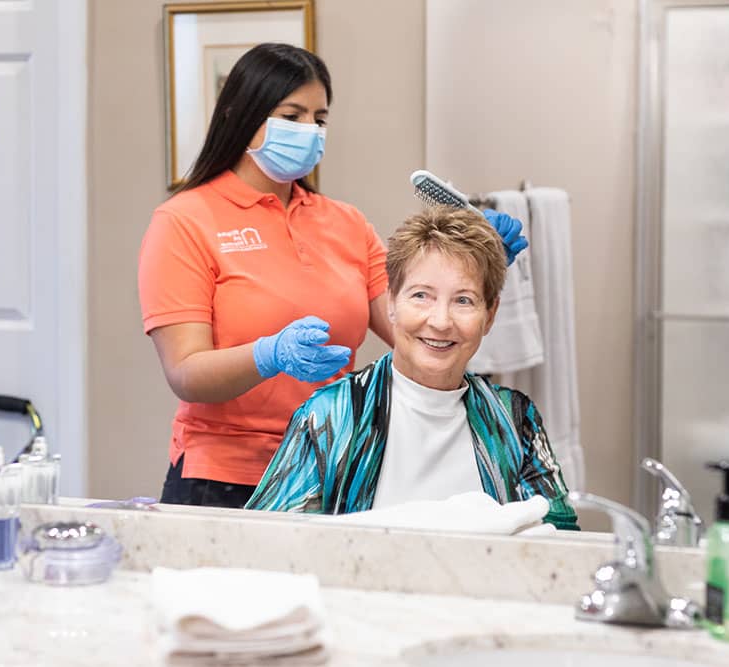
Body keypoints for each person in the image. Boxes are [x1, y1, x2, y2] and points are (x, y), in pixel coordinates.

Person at [138, 43, 528, 509]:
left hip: (335, 465)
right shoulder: (184, 220)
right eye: (293, 115)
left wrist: (473, 268)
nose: (310, 132)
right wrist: (270, 355)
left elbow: (414, 325)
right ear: (241, 115)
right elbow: (185, 372)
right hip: (224, 479)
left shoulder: (345, 223)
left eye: (319, 120)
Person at [245, 206, 578, 530]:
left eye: (464, 300)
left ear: (490, 315)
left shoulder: (515, 419)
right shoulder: (331, 416)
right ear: (391, 303)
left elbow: (560, 542)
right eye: (421, 296)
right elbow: (274, 542)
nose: (440, 321)